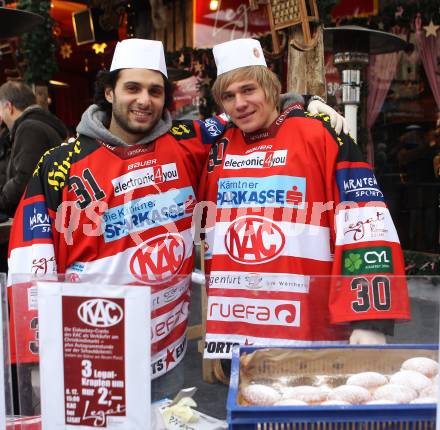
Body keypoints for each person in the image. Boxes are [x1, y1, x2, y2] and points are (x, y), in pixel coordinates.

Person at [7, 38, 349, 402]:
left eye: (155, 91)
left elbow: (247, 107)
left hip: (165, 354)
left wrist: (302, 104)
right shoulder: (60, 163)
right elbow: (30, 259)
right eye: (132, 88)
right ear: (109, 92)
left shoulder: (190, 140)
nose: (144, 100)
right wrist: (36, 355)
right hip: (93, 351)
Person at [199, 38, 410, 361]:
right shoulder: (216, 143)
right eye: (228, 96)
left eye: (249, 90)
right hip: (235, 333)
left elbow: (366, 223)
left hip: (309, 330)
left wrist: (371, 318)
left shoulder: (321, 133)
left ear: (271, 87)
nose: (239, 103)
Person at [0, 81, 67, 216]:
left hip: (38, 219)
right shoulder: (40, 125)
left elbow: (25, 180)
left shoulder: (29, 128)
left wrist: (2, 202)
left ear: (9, 107)